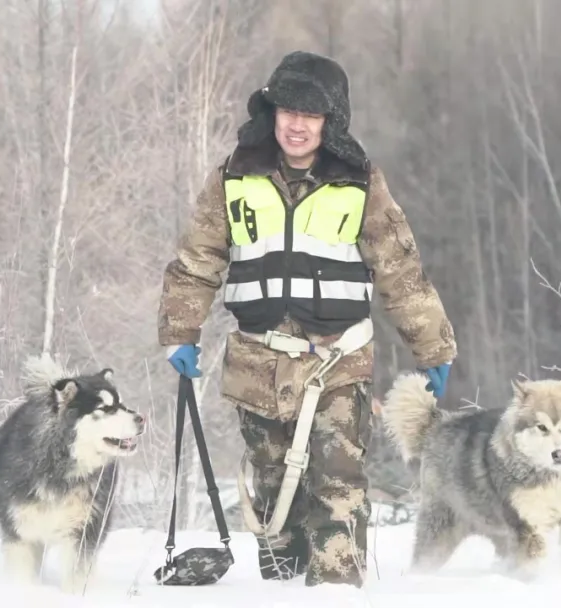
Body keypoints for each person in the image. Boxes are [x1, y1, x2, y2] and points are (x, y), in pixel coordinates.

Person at [157, 50, 457, 588]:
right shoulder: (234, 175)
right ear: (271, 113)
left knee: (337, 486)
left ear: (331, 120)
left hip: (336, 361)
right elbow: (198, 259)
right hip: (257, 361)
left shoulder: (360, 181)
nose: (297, 125)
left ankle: (336, 592)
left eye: (311, 115)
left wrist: (432, 348)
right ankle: (282, 591)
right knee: (273, 488)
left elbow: (399, 268)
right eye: (288, 111)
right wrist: (181, 330)